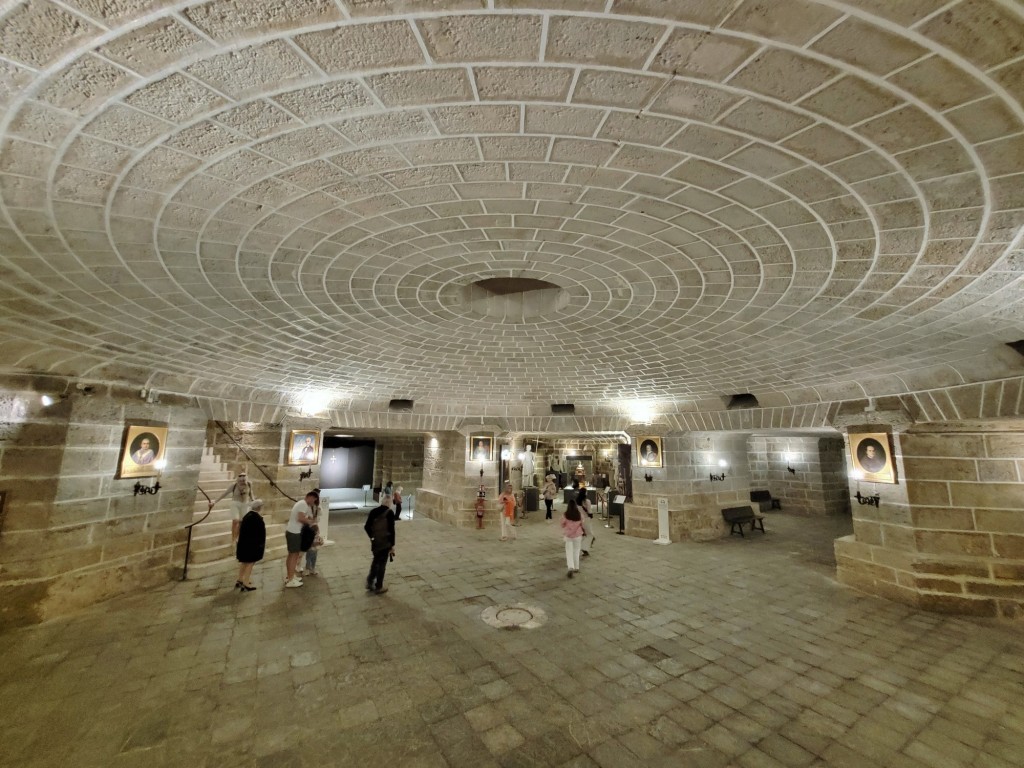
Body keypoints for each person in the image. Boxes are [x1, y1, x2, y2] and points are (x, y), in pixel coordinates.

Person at [284, 491, 318, 588]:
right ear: (310, 497)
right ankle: (290, 580)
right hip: (294, 533)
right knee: (293, 555)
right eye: (314, 500)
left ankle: (290, 576)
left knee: (292, 555)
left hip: (293, 531)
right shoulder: (303, 504)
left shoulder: (301, 504)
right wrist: (311, 522)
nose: (313, 502)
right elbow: (301, 518)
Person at [364, 493, 395, 594]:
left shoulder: (373, 511)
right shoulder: (389, 513)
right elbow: (392, 531)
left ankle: (369, 582)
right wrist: (392, 545)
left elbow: (366, 527)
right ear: (389, 503)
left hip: (375, 542)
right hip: (385, 542)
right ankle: (379, 586)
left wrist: (372, 537)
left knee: (375, 561)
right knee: (382, 564)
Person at [211, 471, 254, 544]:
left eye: (243, 480)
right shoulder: (234, 486)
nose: (242, 482)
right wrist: (214, 502)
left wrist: (254, 502)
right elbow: (224, 494)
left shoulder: (249, 485)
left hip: (245, 504)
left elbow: (251, 494)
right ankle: (233, 539)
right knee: (235, 520)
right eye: (240, 480)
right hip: (235, 503)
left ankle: (238, 537)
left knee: (242, 522)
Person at [234, 499, 266, 592]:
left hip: (244, 543)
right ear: (259, 507)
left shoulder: (247, 515)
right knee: (250, 563)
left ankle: (240, 579)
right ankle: (246, 583)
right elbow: (259, 533)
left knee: (244, 562)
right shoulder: (256, 518)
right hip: (252, 545)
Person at [299, 494, 322, 577]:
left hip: (314, 529)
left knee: (314, 556)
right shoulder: (307, 507)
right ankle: (307, 568)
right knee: (308, 555)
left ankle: (313, 568)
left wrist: (319, 539)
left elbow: (317, 518)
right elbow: (306, 517)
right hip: (309, 531)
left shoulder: (317, 508)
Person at [562, 500, 584, 578]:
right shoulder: (579, 514)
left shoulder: (565, 515)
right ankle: (576, 567)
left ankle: (570, 567)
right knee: (576, 551)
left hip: (568, 536)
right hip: (577, 535)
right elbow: (582, 523)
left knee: (569, 552)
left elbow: (562, 524)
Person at [577, 487, 595, 557]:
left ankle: (584, 548)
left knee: (584, 534)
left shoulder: (577, 501)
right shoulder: (587, 501)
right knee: (590, 534)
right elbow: (589, 511)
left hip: (579, 519)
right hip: (586, 519)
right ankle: (584, 547)